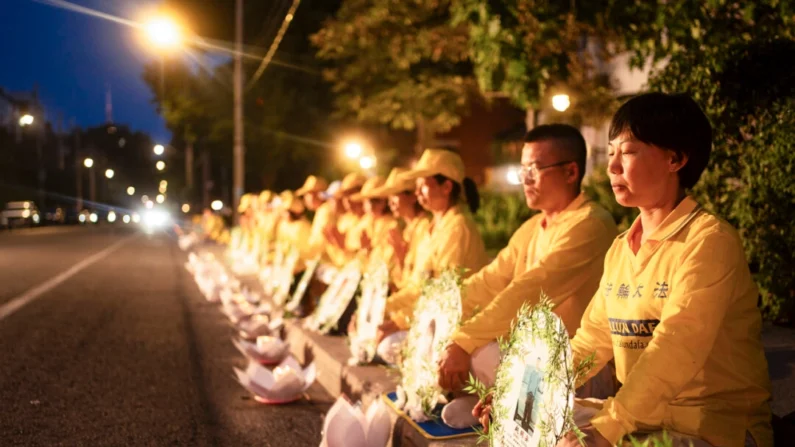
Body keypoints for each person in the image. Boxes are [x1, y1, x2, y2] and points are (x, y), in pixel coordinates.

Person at [547, 93, 773, 447]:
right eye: (610, 153)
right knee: (539, 428)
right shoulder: (622, 248)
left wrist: (609, 428)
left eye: (629, 152)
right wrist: (521, 395)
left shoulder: (709, 241)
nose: (613, 167)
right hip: (644, 421)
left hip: (710, 428)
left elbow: (675, 346)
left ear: (676, 158)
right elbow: (591, 341)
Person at [436, 124, 618, 393]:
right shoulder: (533, 227)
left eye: (533, 170)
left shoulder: (590, 224)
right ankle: (486, 408)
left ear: (570, 172)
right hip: (531, 356)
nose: (526, 180)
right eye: (523, 171)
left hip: (577, 366)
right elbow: (489, 281)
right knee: (443, 340)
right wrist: (433, 312)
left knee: (477, 353)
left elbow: (531, 290)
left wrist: (464, 340)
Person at [376, 148, 488, 361]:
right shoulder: (434, 227)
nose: (417, 194)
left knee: (389, 346)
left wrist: (401, 320)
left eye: (423, 186)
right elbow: (420, 286)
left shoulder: (456, 227)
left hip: (455, 320)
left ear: (446, 187)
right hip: (430, 314)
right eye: (415, 188)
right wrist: (384, 308)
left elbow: (445, 293)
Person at [295, 175, 336, 262]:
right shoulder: (321, 211)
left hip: (333, 262)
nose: (305, 198)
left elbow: (319, 243)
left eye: (307, 194)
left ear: (318, 194)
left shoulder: (326, 211)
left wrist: (303, 253)